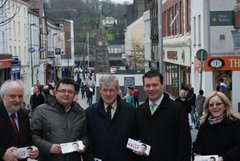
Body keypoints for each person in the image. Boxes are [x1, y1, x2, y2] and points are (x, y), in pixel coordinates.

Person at [135, 70, 191, 161]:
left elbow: (184, 144)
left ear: (162, 85)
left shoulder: (177, 110)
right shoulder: (139, 111)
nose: (151, 89)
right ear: (143, 87)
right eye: (148, 85)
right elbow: (135, 137)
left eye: (155, 85)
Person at [31, 77, 88, 161]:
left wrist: (83, 145)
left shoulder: (80, 112)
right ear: (55, 92)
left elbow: (86, 135)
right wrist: (49, 147)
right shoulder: (41, 110)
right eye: (63, 91)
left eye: (70, 92)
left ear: (75, 94)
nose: (66, 94)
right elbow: (33, 135)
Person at [85, 74, 136, 161]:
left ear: (117, 90)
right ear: (100, 91)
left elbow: (135, 137)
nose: (108, 94)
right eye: (105, 90)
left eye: (111, 90)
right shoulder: (90, 112)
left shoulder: (131, 111)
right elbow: (87, 140)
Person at [192, 91, 240, 161]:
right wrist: (197, 152)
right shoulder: (204, 124)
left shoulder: (236, 123)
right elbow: (198, 144)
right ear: (208, 108)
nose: (214, 107)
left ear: (225, 106)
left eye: (218, 104)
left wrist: (224, 158)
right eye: (211, 105)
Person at [0, 80, 39, 161]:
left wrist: (33, 149)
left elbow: (27, 138)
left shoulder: (23, 115)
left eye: (20, 96)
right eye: (12, 96)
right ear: (3, 96)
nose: (17, 100)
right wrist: (2, 154)